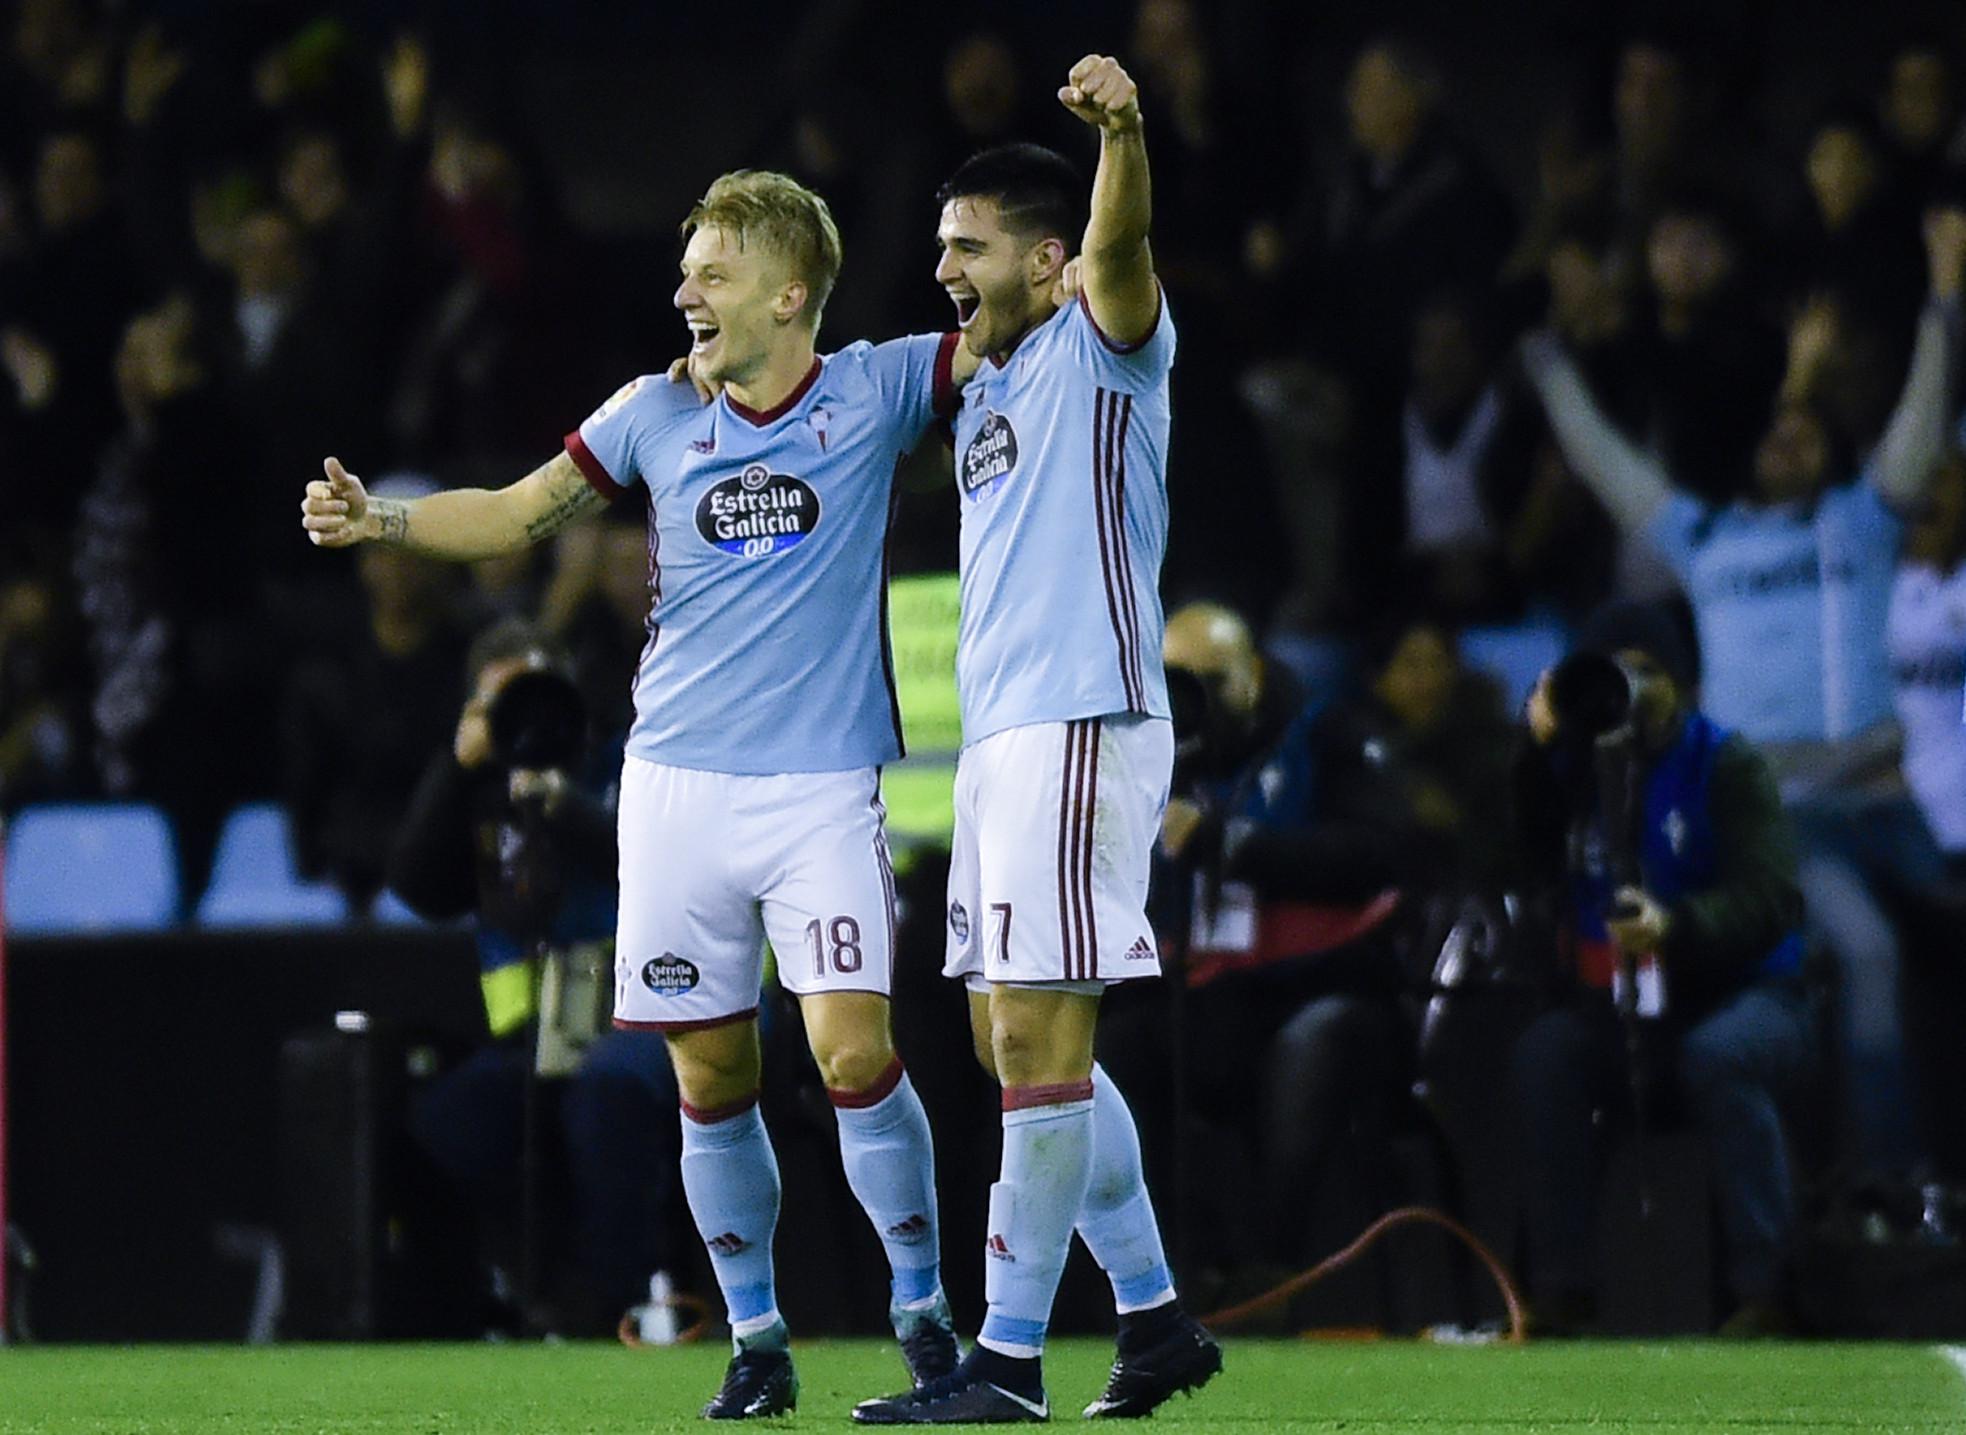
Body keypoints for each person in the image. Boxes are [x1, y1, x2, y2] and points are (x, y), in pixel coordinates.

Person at [302, 169, 974, 1420]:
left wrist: (1090, 209)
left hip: (821, 789)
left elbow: (1020, 319)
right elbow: (511, 516)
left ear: (788, 293)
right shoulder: (650, 415)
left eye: (712, 274)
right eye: (687, 273)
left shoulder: (880, 387)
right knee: (709, 1077)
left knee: (850, 1050)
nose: (685, 294)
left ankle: (925, 1313)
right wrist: (382, 520)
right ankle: (757, 1341)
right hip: (672, 795)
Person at [854, 57, 1221, 1426]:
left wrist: (1123, 131)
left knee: (1038, 1039)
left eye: (966, 246)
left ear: (1046, 258)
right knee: (1007, 1038)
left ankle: (1004, 1363)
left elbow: (1121, 242)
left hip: (1083, 719)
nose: (941, 266)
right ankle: (1155, 1312)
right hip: (1003, 745)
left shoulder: (1104, 337)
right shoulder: (991, 387)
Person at [1520, 208, 1965, 1182]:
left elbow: (1921, 420)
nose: (1787, 438)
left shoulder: (1860, 523)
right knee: (1870, 957)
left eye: (1806, 432)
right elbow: (1603, 458)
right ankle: (1894, 1196)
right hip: (1788, 816)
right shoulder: (1708, 537)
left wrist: (1944, 298)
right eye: (1777, 432)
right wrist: (1550, 360)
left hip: (1889, 805)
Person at [1511, 605, 1814, 1335]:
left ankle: (1765, 1293)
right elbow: (1512, 856)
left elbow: (1775, 899)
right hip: (1621, 1003)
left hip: (1745, 991)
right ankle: (1560, 1293)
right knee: (1548, 1053)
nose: (1631, 687)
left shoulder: (1725, 761)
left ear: (1683, 684)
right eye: (1615, 669)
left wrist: (1677, 925)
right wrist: (1533, 752)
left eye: (1648, 670)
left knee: (1718, 1057)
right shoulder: (1575, 769)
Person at [388, 619, 680, 1337]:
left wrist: (564, 803)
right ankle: (480, 1305)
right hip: (531, 1040)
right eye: (501, 705)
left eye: (538, 694)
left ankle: (617, 1310)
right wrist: (457, 771)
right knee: (444, 1123)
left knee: (601, 1093)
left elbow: (652, 860)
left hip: (644, 1020)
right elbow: (418, 885)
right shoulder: (477, 796)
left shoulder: (627, 761)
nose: (526, 717)